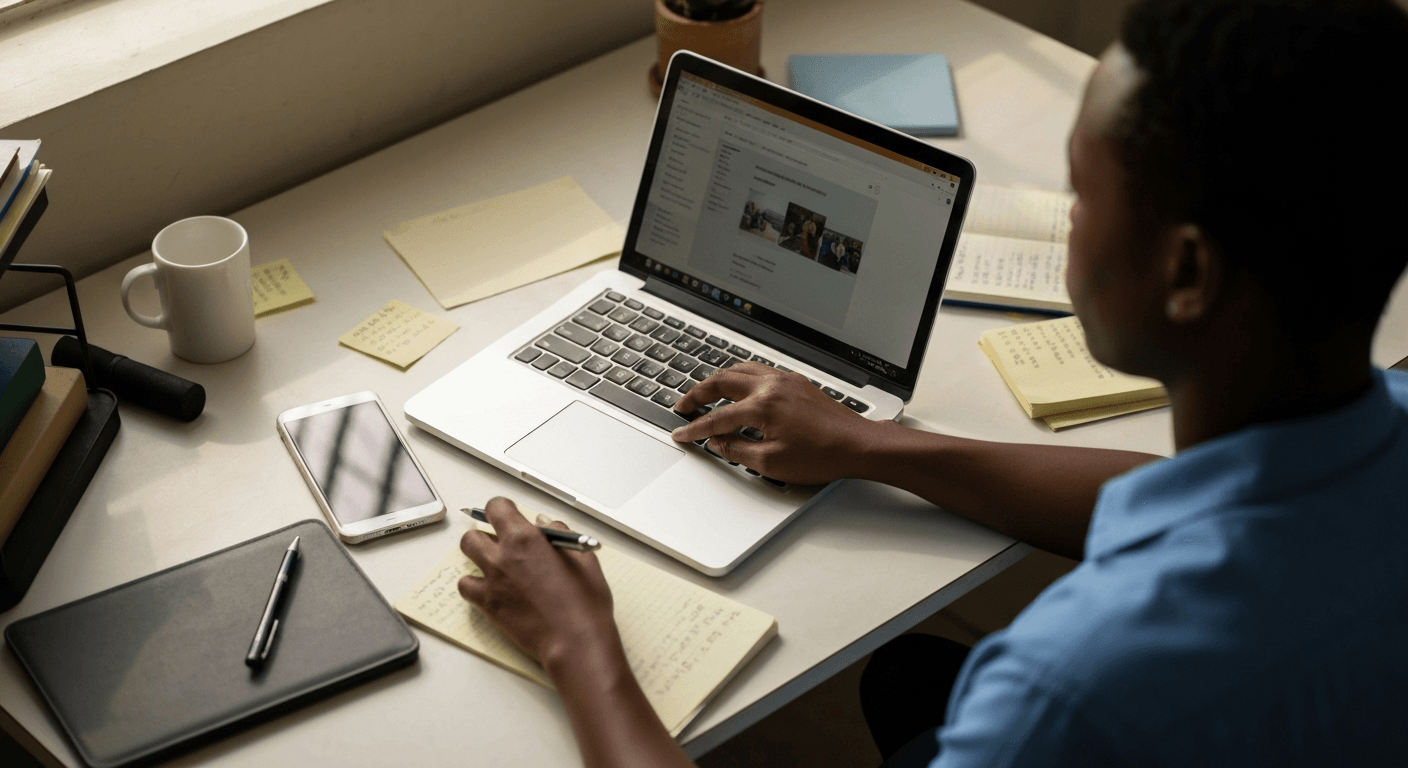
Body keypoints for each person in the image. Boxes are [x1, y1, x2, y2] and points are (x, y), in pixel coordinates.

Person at [454, 1, 1408, 766]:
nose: (1069, 223)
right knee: (906, 679)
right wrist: (873, 444)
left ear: (1188, 275)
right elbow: (1177, 501)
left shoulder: (1068, 691)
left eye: (1084, 192)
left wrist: (581, 648)